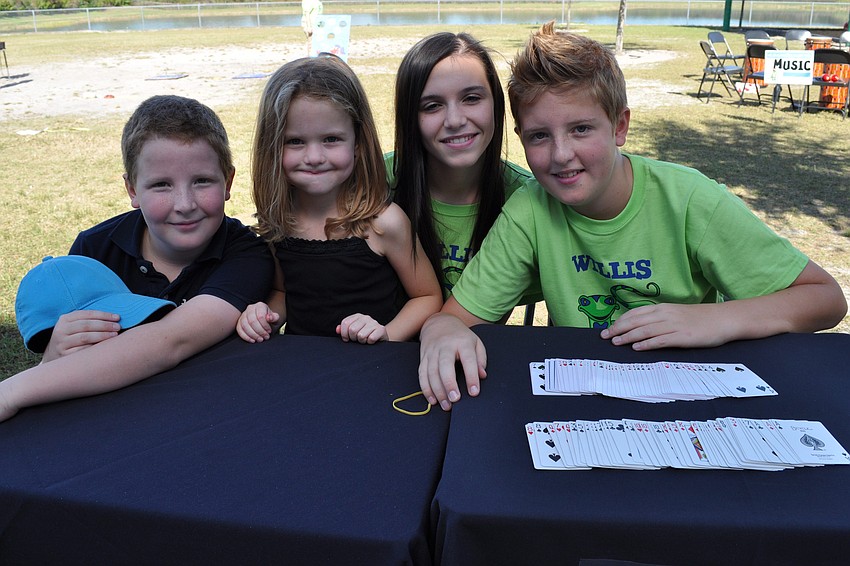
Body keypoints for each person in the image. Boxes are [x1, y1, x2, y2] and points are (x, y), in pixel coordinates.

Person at [418, 22, 848, 411]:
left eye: (581, 129)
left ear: (620, 127)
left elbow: (825, 299)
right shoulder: (530, 210)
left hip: (694, 397)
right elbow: (454, 318)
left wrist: (713, 319)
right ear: (521, 140)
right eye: (539, 137)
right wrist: (444, 331)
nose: (561, 154)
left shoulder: (689, 199)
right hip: (591, 403)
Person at [0, 95, 274, 422]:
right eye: (161, 185)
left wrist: (11, 391)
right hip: (115, 420)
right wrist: (53, 358)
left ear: (227, 182)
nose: (185, 203)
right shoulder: (93, 250)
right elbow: (71, 370)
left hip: (212, 414)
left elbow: (170, 342)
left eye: (202, 180)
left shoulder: (246, 255)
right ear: (132, 190)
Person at [236, 55, 442, 345]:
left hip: (373, 369)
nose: (314, 157)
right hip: (306, 372)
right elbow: (284, 293)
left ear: (358, 144)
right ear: (272, 147)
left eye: (331, 139)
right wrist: (264, 316)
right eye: (295, 141)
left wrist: (386, 334)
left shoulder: (384, 223)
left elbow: (428, 297)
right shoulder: (278, 222)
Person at [388, 32, 538, 300]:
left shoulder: (530, 201)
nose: (455, 120)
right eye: (432, 106)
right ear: (410, 116)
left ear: (496, 104)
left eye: (471, 98)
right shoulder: (372, 183)